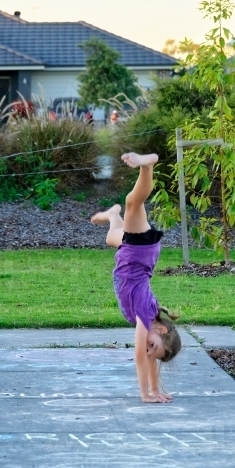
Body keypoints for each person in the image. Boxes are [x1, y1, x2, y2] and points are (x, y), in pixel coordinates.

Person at [92, 153, 181, 402]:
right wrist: (145, 394)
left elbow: (150, 359)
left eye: (151, 349)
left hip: (129, 253)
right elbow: (141, 358)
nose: (147, 348)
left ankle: (111, 215)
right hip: (140, 251)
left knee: (113, 237)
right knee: (134, 202)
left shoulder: (148, 322)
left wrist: (156, 390)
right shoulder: (144, 313)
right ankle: (149, 165)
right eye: (153, 344)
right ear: (161, 329)